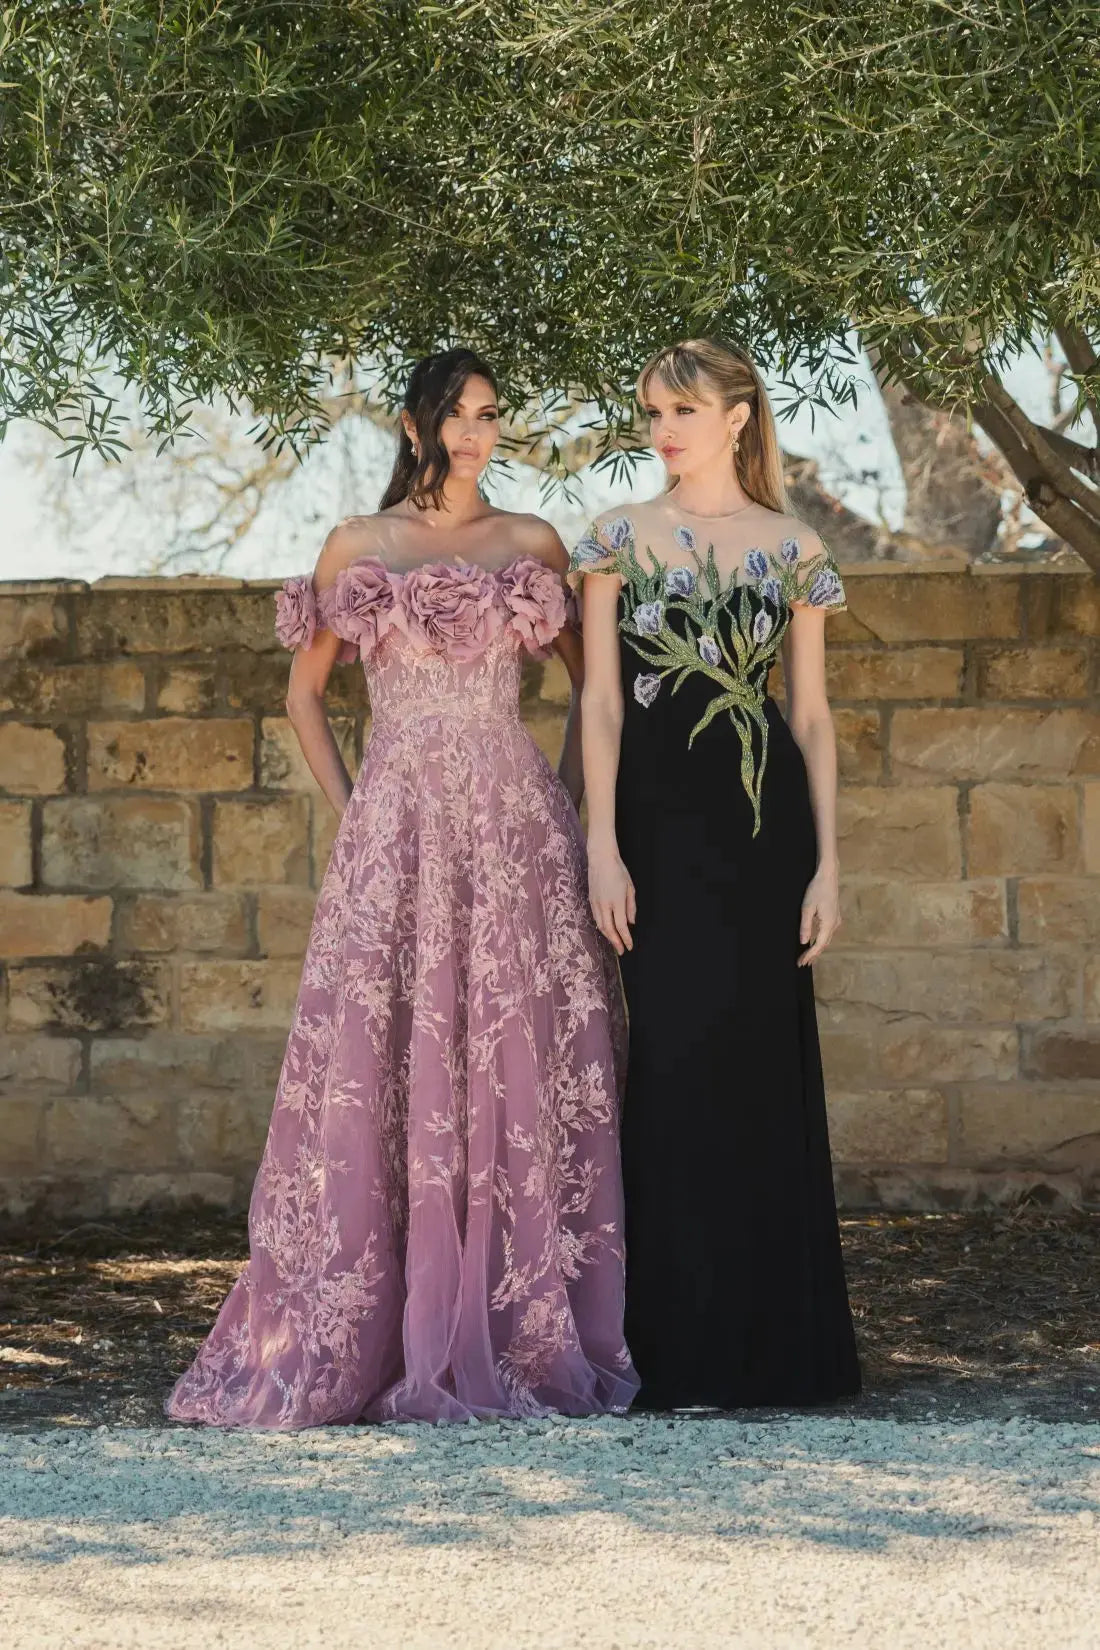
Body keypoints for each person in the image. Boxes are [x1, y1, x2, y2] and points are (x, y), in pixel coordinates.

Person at [167, 348, 637, 1427]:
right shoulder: (357, 547)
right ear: (413, 423)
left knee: (514, 1054)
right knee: (384, 1059)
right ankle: (382, 1327)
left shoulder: (528, 544)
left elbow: (590, 688)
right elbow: (302, 697)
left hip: (512, 824)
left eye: (490, 415)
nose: (476, 434)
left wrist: (565, 806)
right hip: (398, 827)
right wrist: (358, 808)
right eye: (457, 415)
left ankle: (515, 1324)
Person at [570, 336, 861, 1410]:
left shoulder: (793, 547)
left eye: (680, 409)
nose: (660, 430)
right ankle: (668, 1352)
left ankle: (775, 1357)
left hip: (760, 836)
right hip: (651, 835)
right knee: (670, 1073)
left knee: (756, 1075)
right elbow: (598, 703)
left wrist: (828, 864)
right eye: (650, 411)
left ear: (737, 416)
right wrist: (599, 843)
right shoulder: (612, 538)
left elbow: (813, 718)